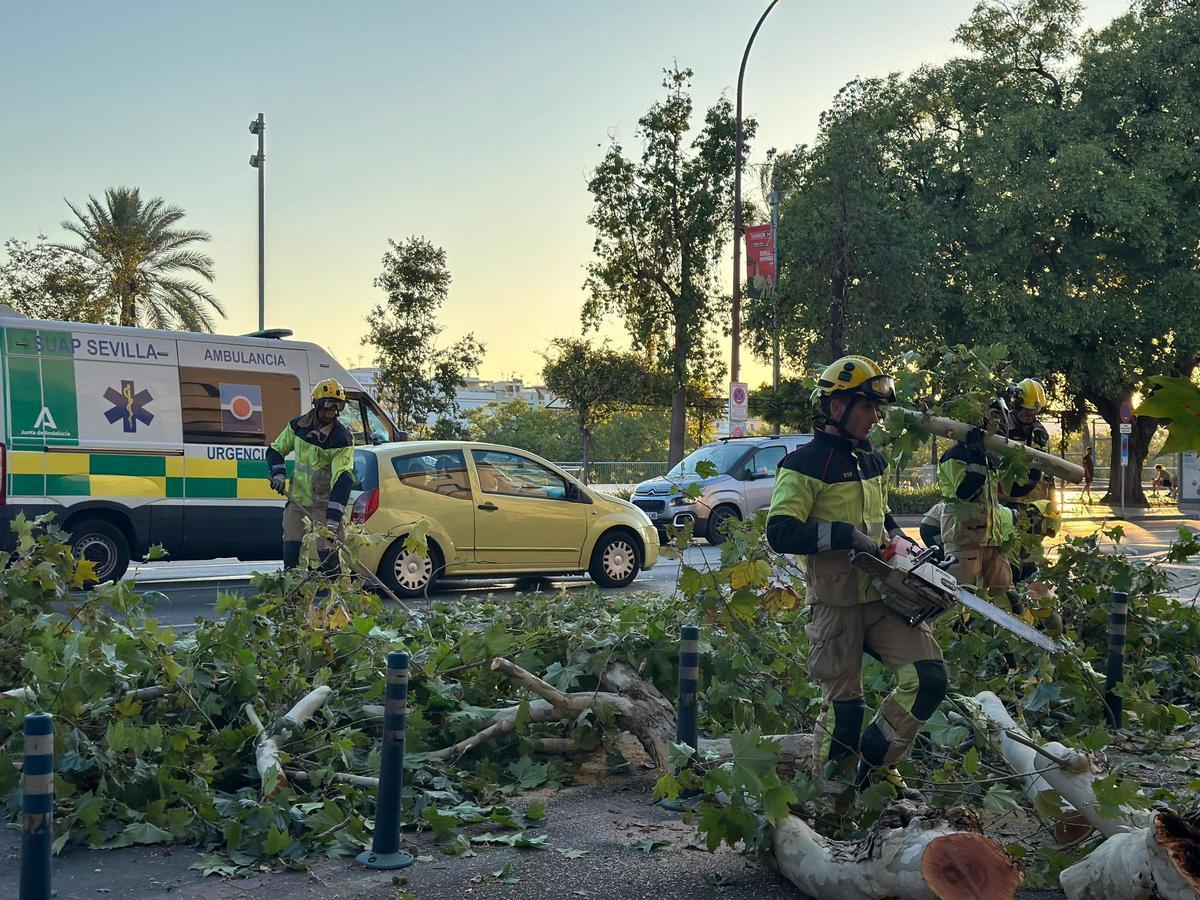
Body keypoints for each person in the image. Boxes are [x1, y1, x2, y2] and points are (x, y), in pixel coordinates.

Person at [766, 355, 947, 796]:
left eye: (875, 409)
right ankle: (833, 798)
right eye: (866, 407)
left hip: (885, 597)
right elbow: (780, 530)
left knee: (929, 678)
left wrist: (909, 550)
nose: (873, 417)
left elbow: (884, 521)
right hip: (836, 603)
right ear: (836, 407)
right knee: (845, 710)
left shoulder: (872, 462)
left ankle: (877, 765)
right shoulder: (804, 464)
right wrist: (845, 535)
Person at [265, 379, 355, 574]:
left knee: (327, 556)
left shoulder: (342, 439)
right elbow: (275, 450)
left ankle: (336, 598)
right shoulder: (298, 427)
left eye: (336, 407)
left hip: (323, 506)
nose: (331, 412)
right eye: (328, 406)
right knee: (291, 552)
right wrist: (278, 474)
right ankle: (293, 597)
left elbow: (343, 478)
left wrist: (333, 518)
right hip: (297, 502)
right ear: (316, 404)